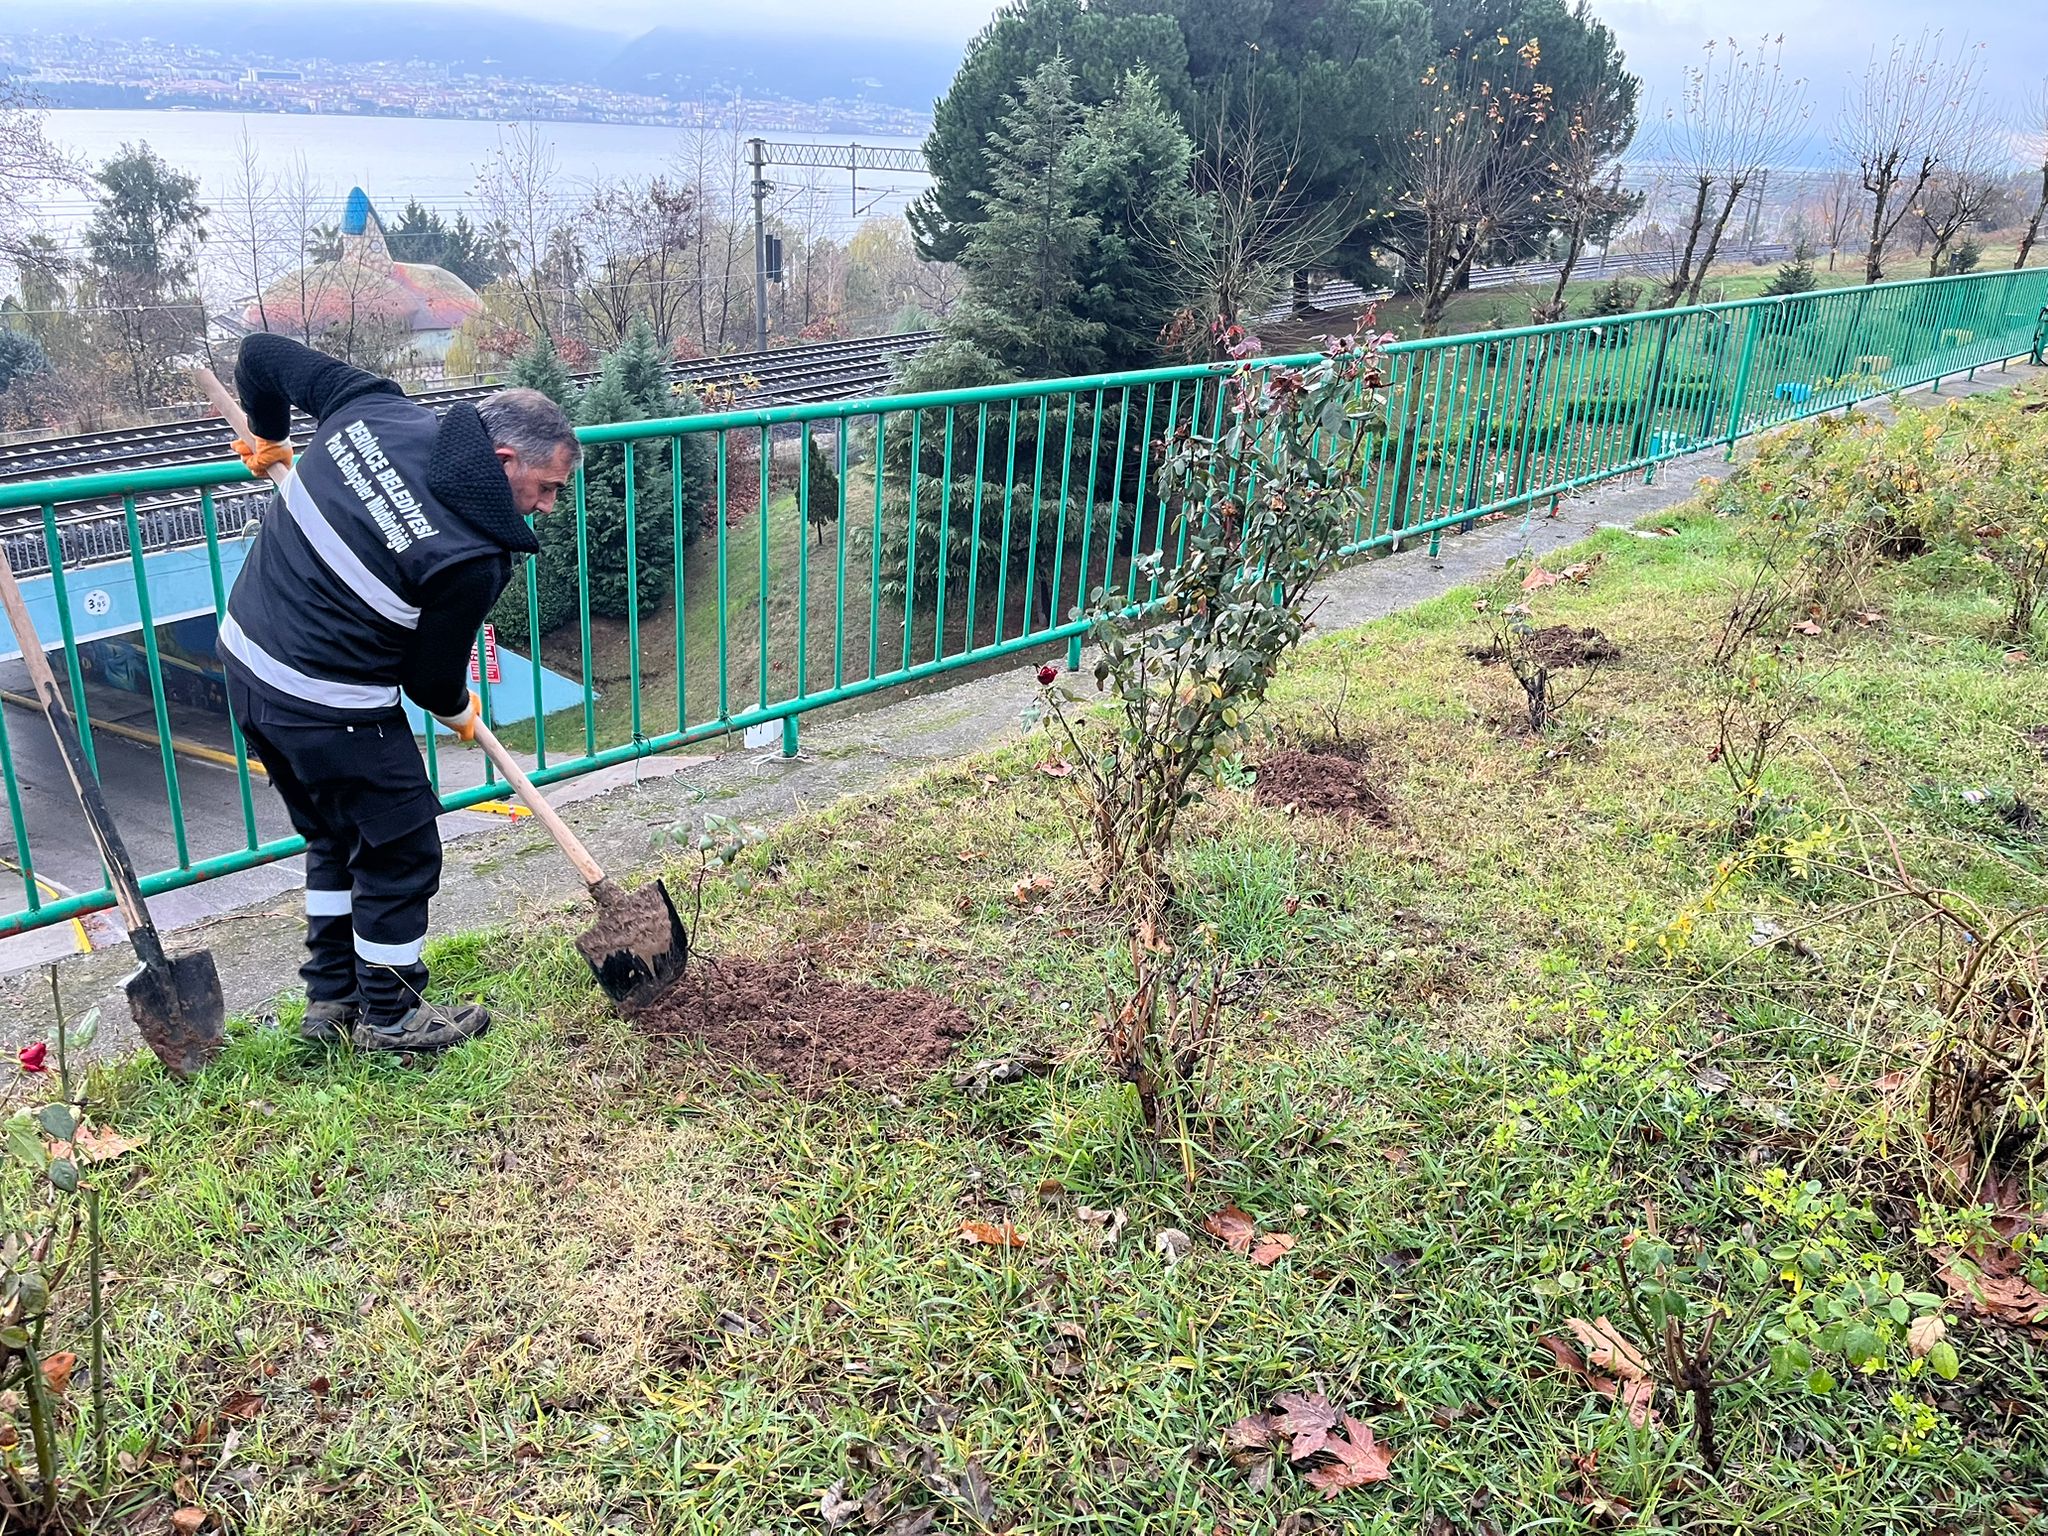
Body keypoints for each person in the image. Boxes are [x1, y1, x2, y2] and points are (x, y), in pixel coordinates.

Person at [220, 333, 579, 1053]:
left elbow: (260, 355)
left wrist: (267, 433)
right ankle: (391, 1014)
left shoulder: (369, 408)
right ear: (505, 462)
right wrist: (457, 710)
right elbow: (426, 679)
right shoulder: (473, 556)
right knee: (403, 846)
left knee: (335, 834)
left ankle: (331, 1001)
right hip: (329, 706)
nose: (544, 508)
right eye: (546, 489)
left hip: (246, 671)